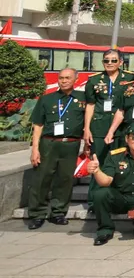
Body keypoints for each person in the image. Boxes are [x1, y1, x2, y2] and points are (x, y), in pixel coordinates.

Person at [27, 68, 85, 229]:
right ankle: (37, 214)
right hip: (49, 143)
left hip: (71, 144)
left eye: (67, 78)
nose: (64, 81)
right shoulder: (47, 99)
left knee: (65, 179)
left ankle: (58, 212)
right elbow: (38, 125)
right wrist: (35, 149)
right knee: (42, 178)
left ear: (76, 80)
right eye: (61, 78)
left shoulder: (83, 99)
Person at [83, 50, 134, 209]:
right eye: (107, 61)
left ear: (121, 62)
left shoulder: (130, 79)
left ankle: (116, 198)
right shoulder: (94, 80)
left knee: (120, 163)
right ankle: (94, 201)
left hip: (122, 127)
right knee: (97, 161)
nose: (110, 64)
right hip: (99, 126)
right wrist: (87, 128)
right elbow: (90, 105)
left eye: (114, 60)